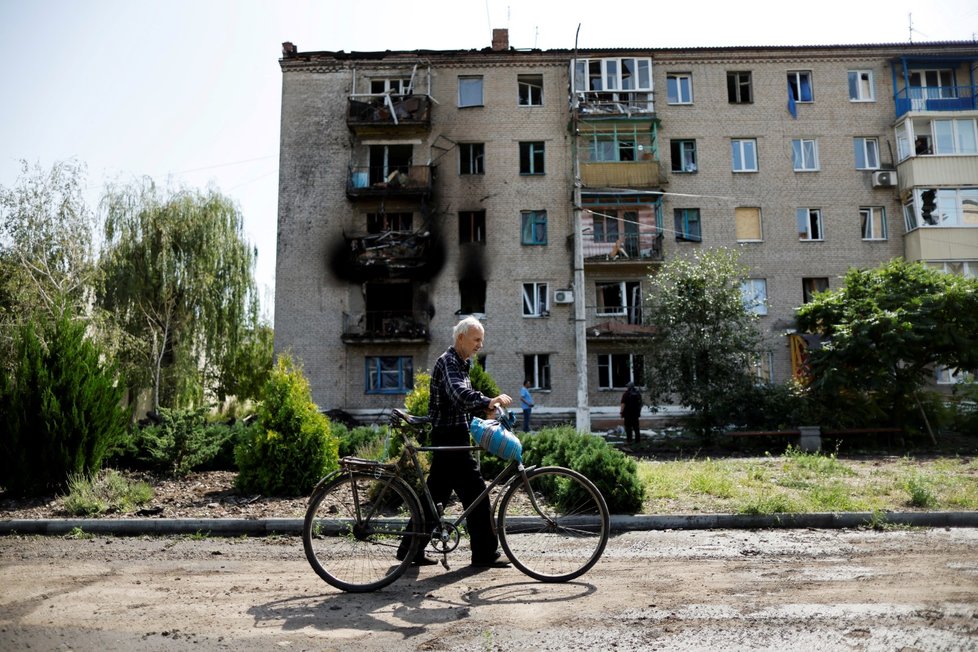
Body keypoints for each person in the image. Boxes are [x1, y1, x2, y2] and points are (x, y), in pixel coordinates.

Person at [399, 316, 513, 568]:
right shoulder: (449, 361)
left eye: (481, 340)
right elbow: (458, 393)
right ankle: (484, 554)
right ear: (461, 338)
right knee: (477, 495)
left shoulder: (462, 363)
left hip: (451, 436)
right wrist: (488, 401)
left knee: (435, 495)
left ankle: (409, 549)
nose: (479, 345)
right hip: (450, 439)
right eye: (476, 339)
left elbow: (457, 403)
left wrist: (484, 411)